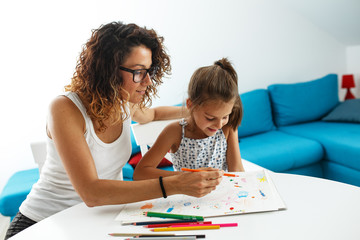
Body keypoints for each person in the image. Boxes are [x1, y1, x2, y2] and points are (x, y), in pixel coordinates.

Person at [5, 21, 223, 239]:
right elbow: (91, 193)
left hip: (100, 221)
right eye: (138, 72)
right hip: (45, 224)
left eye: (149, 70)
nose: (147, 81)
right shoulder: (64, 109)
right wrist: (176, 183)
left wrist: (199, 111)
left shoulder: (124, 102)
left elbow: (153, 114)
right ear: (108, 70)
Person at [133, 58, 244, 181]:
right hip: (185, 197)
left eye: (224, 117)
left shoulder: (228, 127)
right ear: (190, 105)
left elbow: (237, 171)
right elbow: (140, 173)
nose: (219, 125)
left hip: (222, 197)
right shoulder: (175, 131)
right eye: (210, 118)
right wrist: (187, 178)